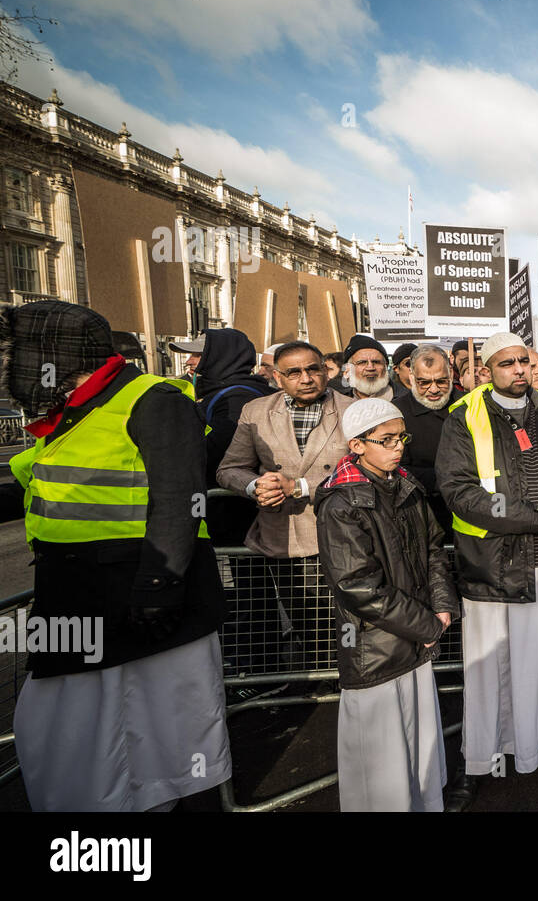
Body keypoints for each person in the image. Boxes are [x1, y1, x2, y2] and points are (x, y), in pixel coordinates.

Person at [4, 301, 230, 810]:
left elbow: (179, 500)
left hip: (138, 600)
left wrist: (158, 588)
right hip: (76, 598)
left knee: (158, 736)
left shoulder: (153, 399)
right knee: (68, 735)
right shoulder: (75, 410)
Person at [436, 331, 538, 811]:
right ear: (487, 369)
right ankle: (480, 759)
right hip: (494, 568)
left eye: (523, 362)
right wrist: (534, 517)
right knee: (492, 672)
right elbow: (459, 491)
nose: (517, 370)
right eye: (506, 363)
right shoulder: (462, 416)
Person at [315, 398, 459, 811]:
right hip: (376, 649)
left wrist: (442, 605)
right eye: (387, 439)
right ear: (357, 445)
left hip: (413, 639)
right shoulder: (340, 503)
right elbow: (358, 588)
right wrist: (430, 625)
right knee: (379, 764)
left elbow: (433, 549)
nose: (398, 447)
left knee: (416, 745)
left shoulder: (405, 484)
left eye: (401, 437)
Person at [216, 340, 354, 670]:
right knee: (304, 617)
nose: (305, 378)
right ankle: (319, 681)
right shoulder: (256, 412)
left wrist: (301, 487)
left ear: (325, 371)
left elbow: (368, 470)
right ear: (278, 377)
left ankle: (346, 681)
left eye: (313, 369)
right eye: (294, 372)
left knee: (346, 616)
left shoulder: (353, 410)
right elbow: (229, 468)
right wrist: (255, 486)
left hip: (344, 531)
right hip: (285, 535)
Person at [191, 328, 276, 547]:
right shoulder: (225, 392)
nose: (190, 361)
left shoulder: (237, 397)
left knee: (251, 577)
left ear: (220, 358)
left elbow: (226, 452)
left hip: (238, 508)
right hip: (236, 505)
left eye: (198, 355)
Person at [394, 344, 459, 535]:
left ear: (451, 376)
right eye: (424, 382)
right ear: (412, 379)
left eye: (441, 381)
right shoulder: (396, 412)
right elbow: (395, 467)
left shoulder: (468, 406)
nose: (434, 389)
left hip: (466, 510)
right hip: (420, 511)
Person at [330, 334, 393, 400]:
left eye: (376, 362)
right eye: (362, 362)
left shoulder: (402, 399)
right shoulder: (335, 399)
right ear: (348, 369)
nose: (370, 368)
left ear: (386, 366)